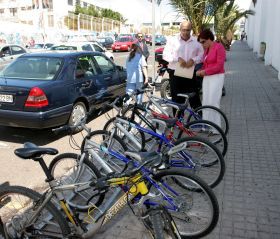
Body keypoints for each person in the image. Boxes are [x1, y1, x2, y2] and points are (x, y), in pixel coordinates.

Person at [162, 20, 204, 114]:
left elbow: (202, 55)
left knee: (194, 97)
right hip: (175, 72)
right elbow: (165, 55)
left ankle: (200, 121)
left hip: (189, 71)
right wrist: (177, 59)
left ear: (191, 30)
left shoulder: (196, 42)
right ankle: (178, 122)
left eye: (188, 30)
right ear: (180, 29)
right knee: (176, 98)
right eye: (183, 30)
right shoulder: (172, 41)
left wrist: (193, 60)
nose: (185, 32)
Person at [196, 29, 226, 128]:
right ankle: (206, 126)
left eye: (203, 42)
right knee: (206, 101)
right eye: (200, 42)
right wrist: (201, 71)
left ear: (210, 39)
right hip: (207, 77)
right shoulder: (207, 49)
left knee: (213, 102)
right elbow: (206, 64)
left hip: (217, 77)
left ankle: (216, 128)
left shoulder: (219, 47)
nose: (202, 44)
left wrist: (204, 71)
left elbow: (219, 65)